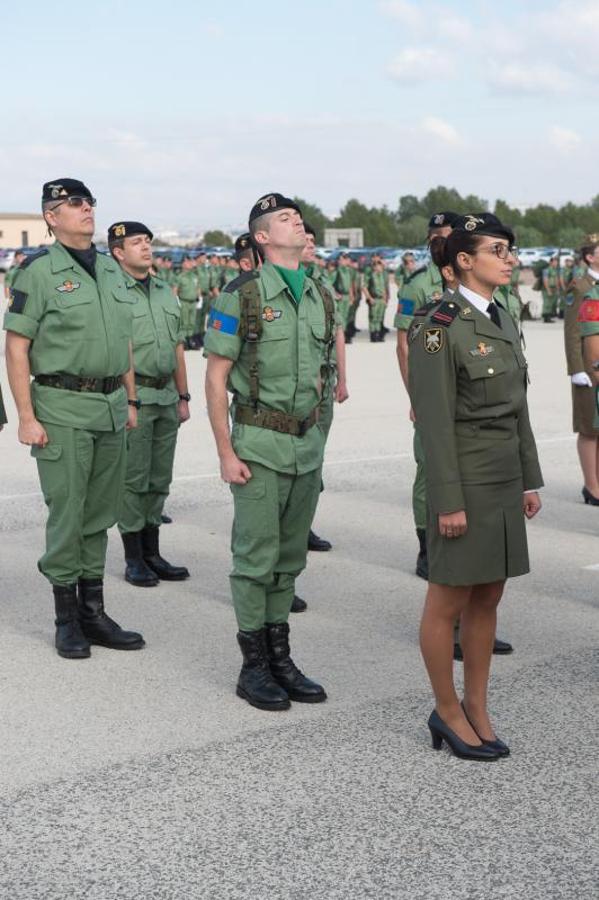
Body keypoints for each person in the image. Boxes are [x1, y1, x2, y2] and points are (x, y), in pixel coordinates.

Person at [408, 213, 543, 760]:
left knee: (489, 594)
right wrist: (448, 499)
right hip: (464, 475)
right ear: (464, 260)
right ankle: (445, 710)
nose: (509, 258)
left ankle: (478, 706)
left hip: (504, 474)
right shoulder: (437, 324)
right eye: (497, 250)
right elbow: (434, 421)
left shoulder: (503, 317)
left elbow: (519, 408)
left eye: (510, 250)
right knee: (448, 599)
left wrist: (530, 478)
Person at [3, 178, 144, 659]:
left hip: (108, 408)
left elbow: (122, 341)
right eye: (74, 203)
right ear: (51, 216)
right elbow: (17, 347)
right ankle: (67, 619)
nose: (87, 209)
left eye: (89, 202)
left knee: (100, 514)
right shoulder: (37, 273)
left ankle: (94, 612)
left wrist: (129, 400)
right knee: (68, 514)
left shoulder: (109, 268)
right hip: (61, 408)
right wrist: (26, 415)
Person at [204, 192, 333, 711]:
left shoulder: (322, 292)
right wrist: (224, 451)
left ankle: (281, 656)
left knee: (289, 559)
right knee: (255, 559)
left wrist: (320, 435)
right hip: (258, 443)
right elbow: (215, 380)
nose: (297, 221)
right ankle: (253, 664)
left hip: (306, 445)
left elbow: (326, 374)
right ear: (261, 237)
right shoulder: (242, 295)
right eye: (284, 218)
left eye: (297, 215)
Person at [107, 221, 191, 585]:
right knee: (134, 480)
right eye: (136, 242)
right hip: (137, 396)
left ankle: (153, 552)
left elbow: (177, 347)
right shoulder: (113, 292)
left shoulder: (163, 291)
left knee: (159, 479)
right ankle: (133, 557)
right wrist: (130, 399)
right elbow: (120, 349)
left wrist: (183, 395)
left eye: (147, 241)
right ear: (117, 252)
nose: (145, 247)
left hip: (167, 395)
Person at [395, 212, 460, 580]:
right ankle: (425, 547)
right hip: (430, 395)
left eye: (446, 236)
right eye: (436, 237)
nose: (441, 242)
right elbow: (403, 346)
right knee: (428, 471)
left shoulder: (472, 279)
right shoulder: (417, 285)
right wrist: (416, 396)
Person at [302, 223, 348, 559]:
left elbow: (338, 333)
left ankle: (304, 523)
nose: (310, 245)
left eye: (313, 241)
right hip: (297, 388)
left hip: (325, 382)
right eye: (305, 239)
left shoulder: (322, 285)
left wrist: (342, 379)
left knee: (315, 458)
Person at [572, 235, 599, 504]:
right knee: (589, 428)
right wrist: (575, 369)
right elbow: (572, 331)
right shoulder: (580, 286)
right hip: (589, 370)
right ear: (590, 257)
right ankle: (592, 486)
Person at [174, 256, 199, 349]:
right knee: (184, 323)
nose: (190, 264)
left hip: (193, 302)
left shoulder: (194, 275)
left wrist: (198, 297)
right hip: (183, 301)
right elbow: (175, 290)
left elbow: (197, 287)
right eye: (187, 262)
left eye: (190, 261)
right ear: (183, 264)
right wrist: (176, 301)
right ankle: (184, 341)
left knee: (192, 322)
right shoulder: (180, 276)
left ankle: (190, 340)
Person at [364, 257, 389, 342]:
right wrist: (369, 298)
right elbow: (364, 287)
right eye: (376, 265)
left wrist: (385, 300)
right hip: (374, 299)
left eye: (379, 265)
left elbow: (384, 288)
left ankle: (378, 334)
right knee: (373, 318)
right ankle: (373, 335)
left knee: (379, 318)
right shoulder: (370, 275)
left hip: (381, 300)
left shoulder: (382, 275)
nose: (379, 267)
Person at [541, 256, 560, 323]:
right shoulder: (547, 270)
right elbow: (545, 280)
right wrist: (548, 290)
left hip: (553, 288)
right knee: (547, 303)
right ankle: (546, 318)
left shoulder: (555, 270)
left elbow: (556, 280)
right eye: (554, 262)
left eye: (556, 262)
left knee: (551, 303)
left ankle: (549, 316)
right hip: (547, 289)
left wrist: (557, 289)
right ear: (551, 262)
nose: (556, 263)